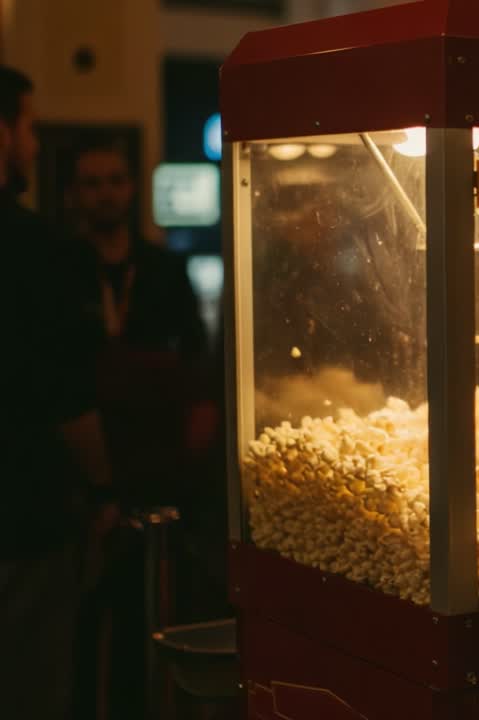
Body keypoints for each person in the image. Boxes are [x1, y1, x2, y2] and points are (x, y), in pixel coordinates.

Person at [62, 135, 213, 719]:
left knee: (156, 609)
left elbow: (196, 360)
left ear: (131, 189)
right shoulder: (60, 270)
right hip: (82, 466)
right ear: (76, 194)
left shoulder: (163, 269)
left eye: (114, 181)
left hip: (159, 465)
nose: (104, 193)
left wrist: (197, 439)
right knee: (82, 616)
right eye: (92, 182)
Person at [0, 64, 115, 720]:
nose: (34, 145)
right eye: (28, 128)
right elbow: (66, 397)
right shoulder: (36, 250)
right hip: (24, 521)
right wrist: (102, 492)